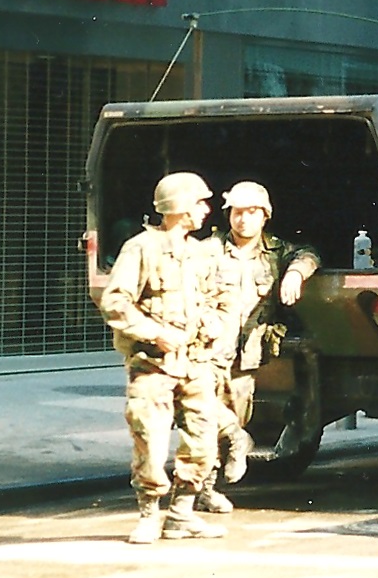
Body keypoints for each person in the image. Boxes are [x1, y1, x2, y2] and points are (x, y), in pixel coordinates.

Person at [98, 171, 228, 545]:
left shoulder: (198, 252)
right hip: (152, 363)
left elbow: (217, 297)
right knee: (150, 443)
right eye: (199, 202)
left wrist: (215, 326)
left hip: (195, 362)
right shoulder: (141, 248)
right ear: (179, 206)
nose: (206, 210)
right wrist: (155, 333)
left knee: (203, 441)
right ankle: (149, 513)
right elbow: (116, 301)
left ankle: (181, 515)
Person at [195, 180, 321, 515]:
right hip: (208, 354)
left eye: (251, 212)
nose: (243, 219)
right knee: (204, 418)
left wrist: (295, 273)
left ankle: (215, 477)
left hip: (245, 359)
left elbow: (309, 254)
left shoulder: (277, 251)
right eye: (237, 212)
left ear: (265, 216)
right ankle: (204, 488)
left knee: (231, 422)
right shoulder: (209, 250)